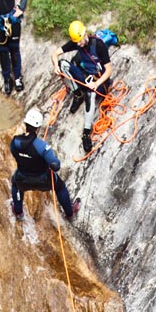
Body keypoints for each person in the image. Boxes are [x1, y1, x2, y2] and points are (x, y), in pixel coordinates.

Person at [50, 20, 114, 153]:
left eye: (79, 41)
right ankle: (78, 94)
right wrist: (56, 66)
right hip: (87, 77)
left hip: (100, 82)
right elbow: (55, 54)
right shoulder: (76, 44)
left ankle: (86, 132)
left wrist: (96, 83)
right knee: (63, 64)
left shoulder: (99, 45)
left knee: (90, 92)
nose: (78, 44)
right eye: (76, 42)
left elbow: (108, 70)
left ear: (85, 34)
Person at [9, 109, 81, 221]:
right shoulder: (42, 146)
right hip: (43, 180)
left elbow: (15, 153)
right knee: (60, 187)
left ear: (26, 124)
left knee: (15, 183)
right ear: (38, 128)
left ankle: (18, 212)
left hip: (23, 178)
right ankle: (70, 214)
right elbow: (55, 165)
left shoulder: (15, 142)